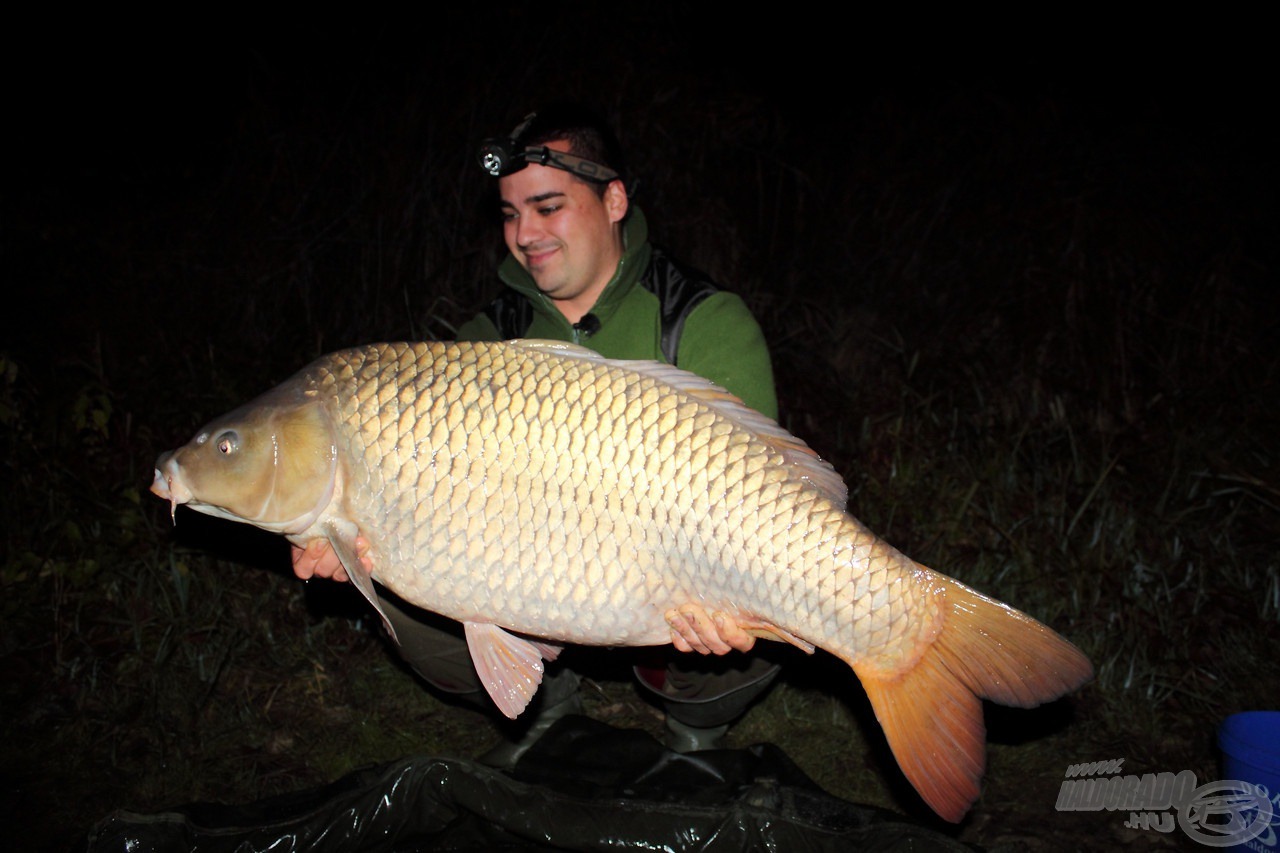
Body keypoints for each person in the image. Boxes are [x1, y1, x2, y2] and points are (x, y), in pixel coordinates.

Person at [293, 104, 784, 766]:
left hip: (664, 582)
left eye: (547, 207)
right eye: (509, 213)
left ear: (613, 200)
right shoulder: (486, 342)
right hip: (534, 579)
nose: (524, 233)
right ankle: (547, 709)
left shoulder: (703, 321)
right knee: (395, 580)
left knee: (782, 591)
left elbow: (771, 505)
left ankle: (696, 725)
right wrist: (350, 536)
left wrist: (735, 595)